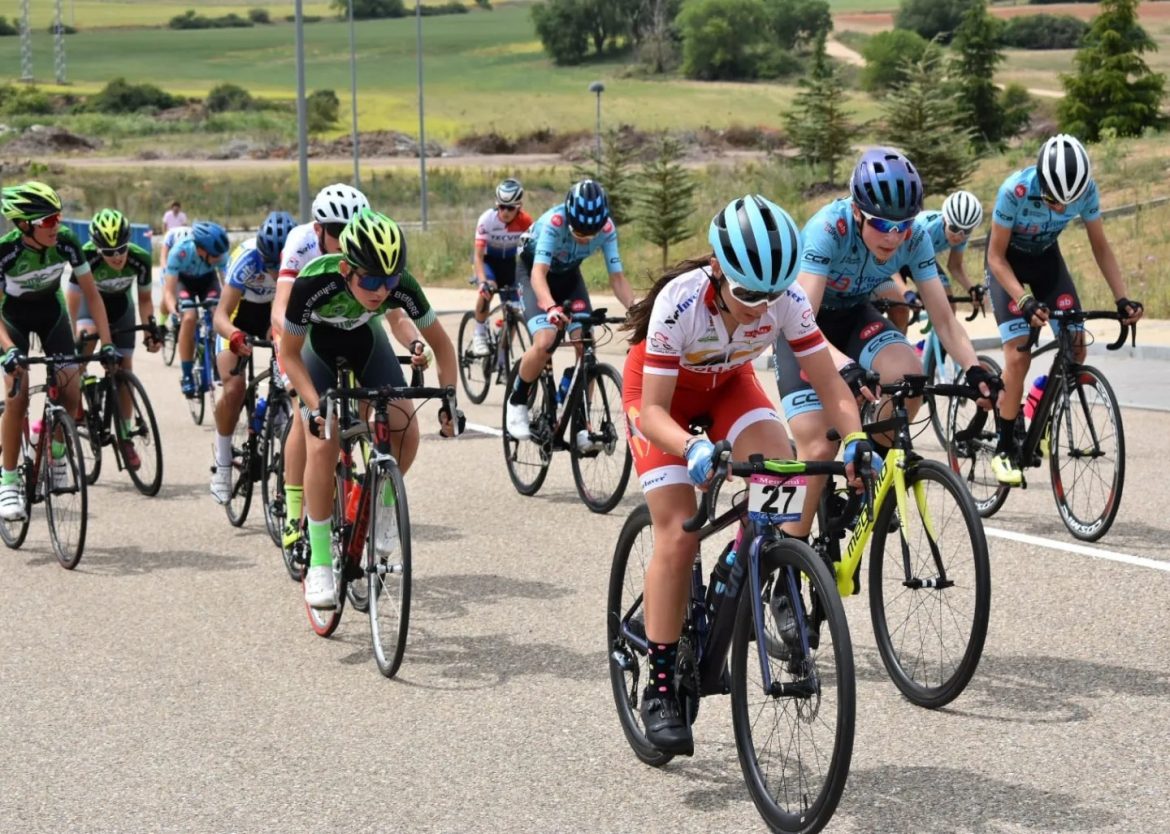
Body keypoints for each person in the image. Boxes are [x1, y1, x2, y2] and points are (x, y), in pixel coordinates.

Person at [621, 195, 872, 755]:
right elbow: (655, 410)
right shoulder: (678, 303)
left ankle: (745, 563)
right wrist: (692, 447)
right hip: (663, 403)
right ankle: (660, 684)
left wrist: (854, 440)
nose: (761, 309)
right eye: (748, 295)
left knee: (780, 471)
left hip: (729, 386)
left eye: (771, 295)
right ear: (718, 269)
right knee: (679, 528)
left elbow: (831, 386)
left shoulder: (783, 300)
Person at [280, 208, 461, 610]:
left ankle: (380, 504)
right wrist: (313, 407)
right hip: (319, 348)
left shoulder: (401, 287)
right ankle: (322, 563)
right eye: (371, 280)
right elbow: (289, 354)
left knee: (404, 426)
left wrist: (449, 400)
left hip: (365, 339)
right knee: (324, 441)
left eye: (390, 279)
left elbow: (444, 347)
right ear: (346, 269)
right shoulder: (314, 282)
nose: (381, 290)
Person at [773, 148, 1001, 465]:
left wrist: (973, 368)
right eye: (881, 224)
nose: (893, 238)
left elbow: (945, 322)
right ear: (857, 212)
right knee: (821, 450)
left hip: (854, 314)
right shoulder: (827, 230)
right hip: (804, 327)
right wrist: (844, 367)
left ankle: (873, 479)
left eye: (903, 225)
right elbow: (802, 322)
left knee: (910, 380)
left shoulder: (916, 237)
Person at [270, 183, 431, 552]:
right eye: (337, 233)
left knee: (373, 403)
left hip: (355, 327)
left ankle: (364, 489)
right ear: (319, 230)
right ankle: (296, 514)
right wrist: (288, 348)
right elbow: (281, 309)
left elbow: (393, 312)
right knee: (306, 417)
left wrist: (413, 342)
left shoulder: (365, 253)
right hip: (305, 328)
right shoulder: (302, 245)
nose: (345, 239)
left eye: (351, 229)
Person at [984, 133, 1143, 485]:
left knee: (1076, 345)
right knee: (1018, 356)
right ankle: (1004, 447)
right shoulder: (1015, 191)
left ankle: (1041, 400)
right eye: (1054, 199)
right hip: (1007, 267)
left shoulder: (1087, 191)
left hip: (1047, 264)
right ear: (1041, 181)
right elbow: (995, 256)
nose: (1059, 208)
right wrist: (1023, 300)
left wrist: (1122, 298)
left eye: (1066, 203)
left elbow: (1100, 246)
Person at [0, 182, 116, 521]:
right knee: (17, 397)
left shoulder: (66, 242)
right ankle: (7, 481)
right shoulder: (5, 252)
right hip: (13, 320)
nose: (57, 225)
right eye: (48, 220)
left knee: (70, 386)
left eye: (58, 217)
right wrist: (8, 350)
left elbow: (92, 295)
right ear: (24, 224)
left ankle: (57, 455)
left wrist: (107, 343)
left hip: (52, 314)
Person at [504, 179, 636, 439]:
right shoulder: (554, 224)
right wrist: (551, 307)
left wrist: (635, 309)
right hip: (534, 275)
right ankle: (517, 400)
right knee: (546, 340)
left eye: (591, 234)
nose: (586, 238)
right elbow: (538, 275)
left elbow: (617, 278)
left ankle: (580, 424)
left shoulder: (607, 228)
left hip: (568, 278)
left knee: (585, 343)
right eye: (579, 232)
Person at [208, 210, 296, 503]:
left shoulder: (301, 259)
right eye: (269, 264)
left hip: (275, 316)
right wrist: (233, 335)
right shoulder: (247, 259)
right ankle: (222, 465)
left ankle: (278, 413)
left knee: (291, 377)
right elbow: (220, 315)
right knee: (233, 389)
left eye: (278, 264)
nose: (273, 270)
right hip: (239, 317)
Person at [66, 209, 161, 471]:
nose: (117, 256)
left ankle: (125, 435)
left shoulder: (140, 258)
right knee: (83, 342)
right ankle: (78, 392)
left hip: (121, 307)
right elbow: (72, 302)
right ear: (97, 249)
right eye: (109, 252)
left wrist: (150, 332)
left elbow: (144, 300)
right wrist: (69, 340)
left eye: (121, 249)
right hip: (89, 305)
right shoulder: (86, 258)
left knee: (124, 367)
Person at [879, 189, 986, 332]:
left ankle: (936, 353)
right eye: (954, 228)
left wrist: (971, 289)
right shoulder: (923, 229)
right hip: (896, 260)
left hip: (921, 258)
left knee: (948, 308)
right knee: (901, 309)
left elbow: (955, 266)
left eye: (966, 231)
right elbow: (889, 262)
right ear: (944, 220)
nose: (959, 236)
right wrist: (906, 293)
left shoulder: (960, 235)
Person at [162, 220, 230, 396]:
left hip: (208, 281)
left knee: (218, 314)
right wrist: (174, 311)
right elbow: (169, 292)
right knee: (189, 317)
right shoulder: (179, 252)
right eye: (214, 255)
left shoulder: (220, 255)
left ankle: (216, 362)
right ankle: (187, 374)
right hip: (184, 283)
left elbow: (227, 284)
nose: (218, 259)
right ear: (200, 249)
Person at [469, 178, 533, 356]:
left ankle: (502, 357)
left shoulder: (526, 222)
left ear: (519, 206)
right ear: (497, 204)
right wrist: (482, 282)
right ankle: (479, 335)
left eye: (510, 208)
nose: (505, 212)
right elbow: (478, 256)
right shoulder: (487, 220)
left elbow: (531, 255)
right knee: (489, 288)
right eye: (501, 207)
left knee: (513, 310)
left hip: (510, 265)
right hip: (488, 262)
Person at [157, 224, 193, 330]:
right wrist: (166, 272)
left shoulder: (192, 238)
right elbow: (163, 258)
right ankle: (161, 323)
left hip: (185, 266)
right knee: (167, 295)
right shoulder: (170, 235)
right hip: (170, 266)